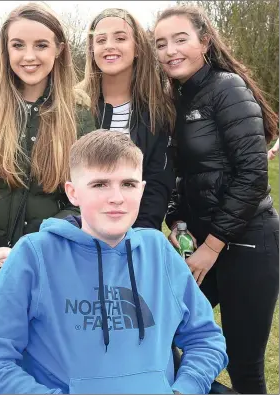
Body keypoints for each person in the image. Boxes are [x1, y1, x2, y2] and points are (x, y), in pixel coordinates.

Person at [0, 130, 228, 394]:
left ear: (142, 189)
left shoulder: (159, 252)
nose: (117, 197)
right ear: (73, 193)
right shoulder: (34, 256)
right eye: (100, 184)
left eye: (128, 184)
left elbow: (206, 339)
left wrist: (185, 388)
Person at [0, 2, 94, 356]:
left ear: (59, 49)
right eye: (18, 45)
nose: (29, 56)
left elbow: (84, 201)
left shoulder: (81, 112)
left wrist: (23, 253)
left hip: (51, 272)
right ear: (5, 48)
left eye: (41, 45)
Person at [154, 5, 279, 394]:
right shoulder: (173, 100)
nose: (170, 50)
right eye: (161, 43)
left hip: (248, 244)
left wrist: (212, 245)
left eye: (180, 39)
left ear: (204, 42)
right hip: (202, 246)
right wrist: (177, 222)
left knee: (244, 366)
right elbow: (177, 174)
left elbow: (254, 175)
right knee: (161, 336)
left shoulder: (227, 87)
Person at [79, 8, 176, 230]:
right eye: (101, 40)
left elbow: (156, 185)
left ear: (138, 48)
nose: (109, 46)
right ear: (92, 50)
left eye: (120, 38)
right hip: (77, 236)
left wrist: (136, 238)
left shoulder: (158, 111)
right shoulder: (75, 106)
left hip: (132, 238)